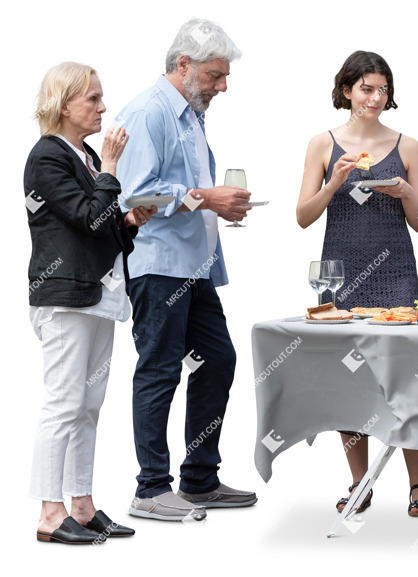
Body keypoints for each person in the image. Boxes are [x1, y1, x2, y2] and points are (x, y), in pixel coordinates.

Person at [116, 18, 256, 521]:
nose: (222, 86)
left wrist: (215, 203)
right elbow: (133, 193)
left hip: (193, 268)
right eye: (216, 76)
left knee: (217, 360)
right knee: (159, 370)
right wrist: (206, 197)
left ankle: (199, 480)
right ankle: (151, 489)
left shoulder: (190, 113)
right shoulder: (149, 111)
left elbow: (187, 190)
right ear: (184, 66)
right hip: (157, 267)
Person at [296, 50, 418, 517]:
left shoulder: (408, 145)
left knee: (407, 378)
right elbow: (302, 217)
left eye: (382, 89)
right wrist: (333, 183)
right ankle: (360, 481)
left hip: (396, 272)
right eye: (366, 89)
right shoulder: (322, 144)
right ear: (346, 92)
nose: (376, 98)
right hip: (341, 273)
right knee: (348, 379)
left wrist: (408, 193)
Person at [25, 62, 154, 543]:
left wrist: (129, 223)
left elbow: (102, 226)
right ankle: (49, 513)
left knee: (89, 404)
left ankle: (81, 504)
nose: (103, 108)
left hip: (97, 295)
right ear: (64, 106)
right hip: (66, 296)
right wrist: (112, 168)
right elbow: (86, 217)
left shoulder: (83, 156)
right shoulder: (48, 157)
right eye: (93, 100)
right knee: (62, 404)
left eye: (102, 98)